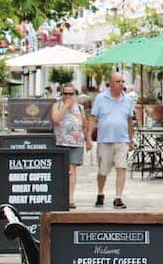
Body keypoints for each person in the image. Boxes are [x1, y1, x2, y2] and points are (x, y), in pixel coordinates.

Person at [87, 70, 136, 208]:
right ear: (111, 84)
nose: (121, 84)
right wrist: (89, 138)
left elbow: (129, 120)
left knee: (121, 167)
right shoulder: (101, 98)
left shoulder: (128, 99)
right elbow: (93, 118)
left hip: (122, 139)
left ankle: (118, 197)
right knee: (103, 170)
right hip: (105, 139)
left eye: (122, 81)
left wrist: (131, 139)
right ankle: (100, 192)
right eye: (118, 81)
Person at [50, 85, 90, 207]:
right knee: (61, 170)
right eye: (65, 94)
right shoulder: (57, 106)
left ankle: (70, 198)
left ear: (75, 94)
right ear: (61, 94)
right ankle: (60, 195)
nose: (68, 96)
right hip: (60, 142)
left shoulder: (80, 107)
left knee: (72, 170)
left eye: (71, 94)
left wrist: (88, 140)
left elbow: (84, 124)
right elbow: (55, 119)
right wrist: (66, 106)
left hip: (76, 142)